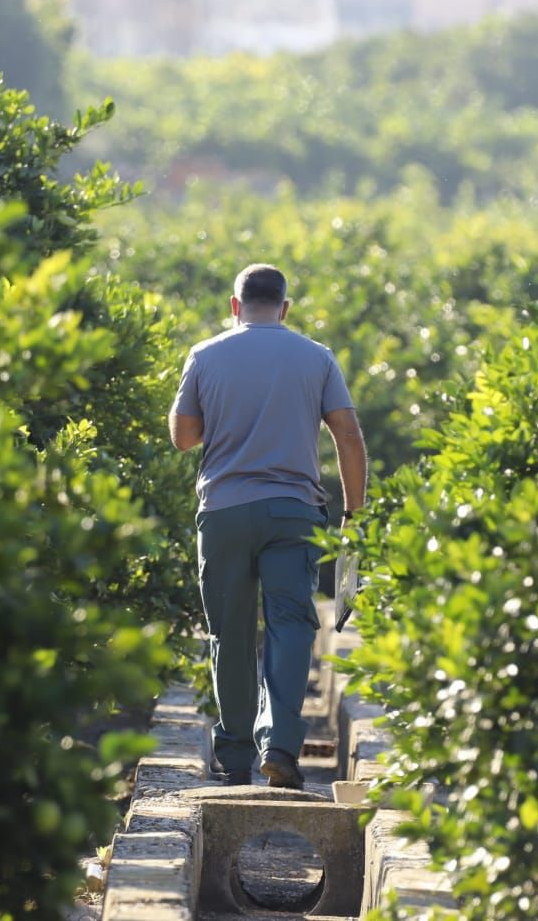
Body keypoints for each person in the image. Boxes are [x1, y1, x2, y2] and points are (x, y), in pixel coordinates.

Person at [169, 263, 367, 789]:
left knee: (230, 633)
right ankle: (279, 746)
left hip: (226, 512)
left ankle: (234, 757)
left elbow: (183, 437)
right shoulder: (316, 356)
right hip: (294, 512)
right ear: (285, 307)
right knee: (290, 628)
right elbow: (348, 435)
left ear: (235, 306)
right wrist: (353, 513)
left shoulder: (205, 355)